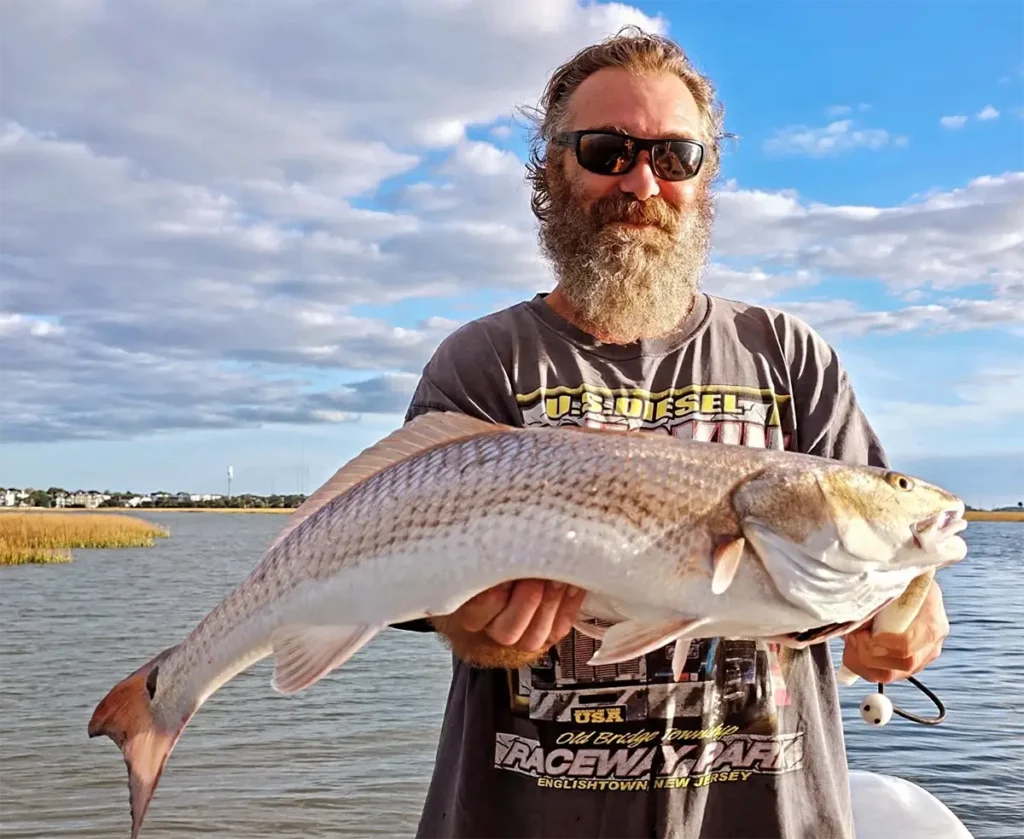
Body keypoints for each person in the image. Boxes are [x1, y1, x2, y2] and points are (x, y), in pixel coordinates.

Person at [398, 26, 950, 839]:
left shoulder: (789, 356)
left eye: (675, 157)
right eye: (606, 150)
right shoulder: (486, 363)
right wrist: (469, 624)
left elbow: (865, 539)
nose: (642, 181)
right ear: (553, 168)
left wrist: (908, 606)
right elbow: (411, 572)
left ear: (706, 177)